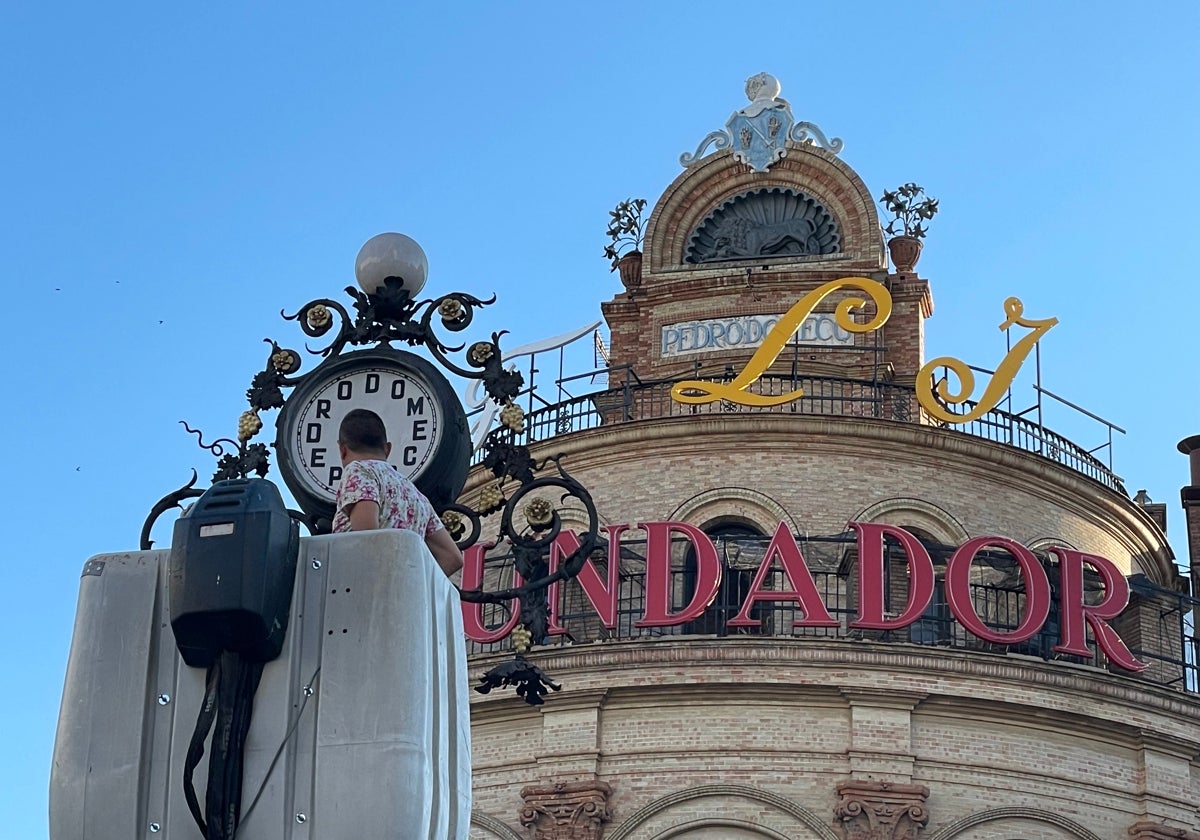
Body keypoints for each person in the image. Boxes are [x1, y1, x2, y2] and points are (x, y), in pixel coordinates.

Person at [333, 408, 464, 577]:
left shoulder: (358, 471)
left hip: (361, 592)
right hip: (402, 599)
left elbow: (366, 538)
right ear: (387, 449)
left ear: (342, 449)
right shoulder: (416, 495)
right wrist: (414, 585)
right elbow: (452, 557)